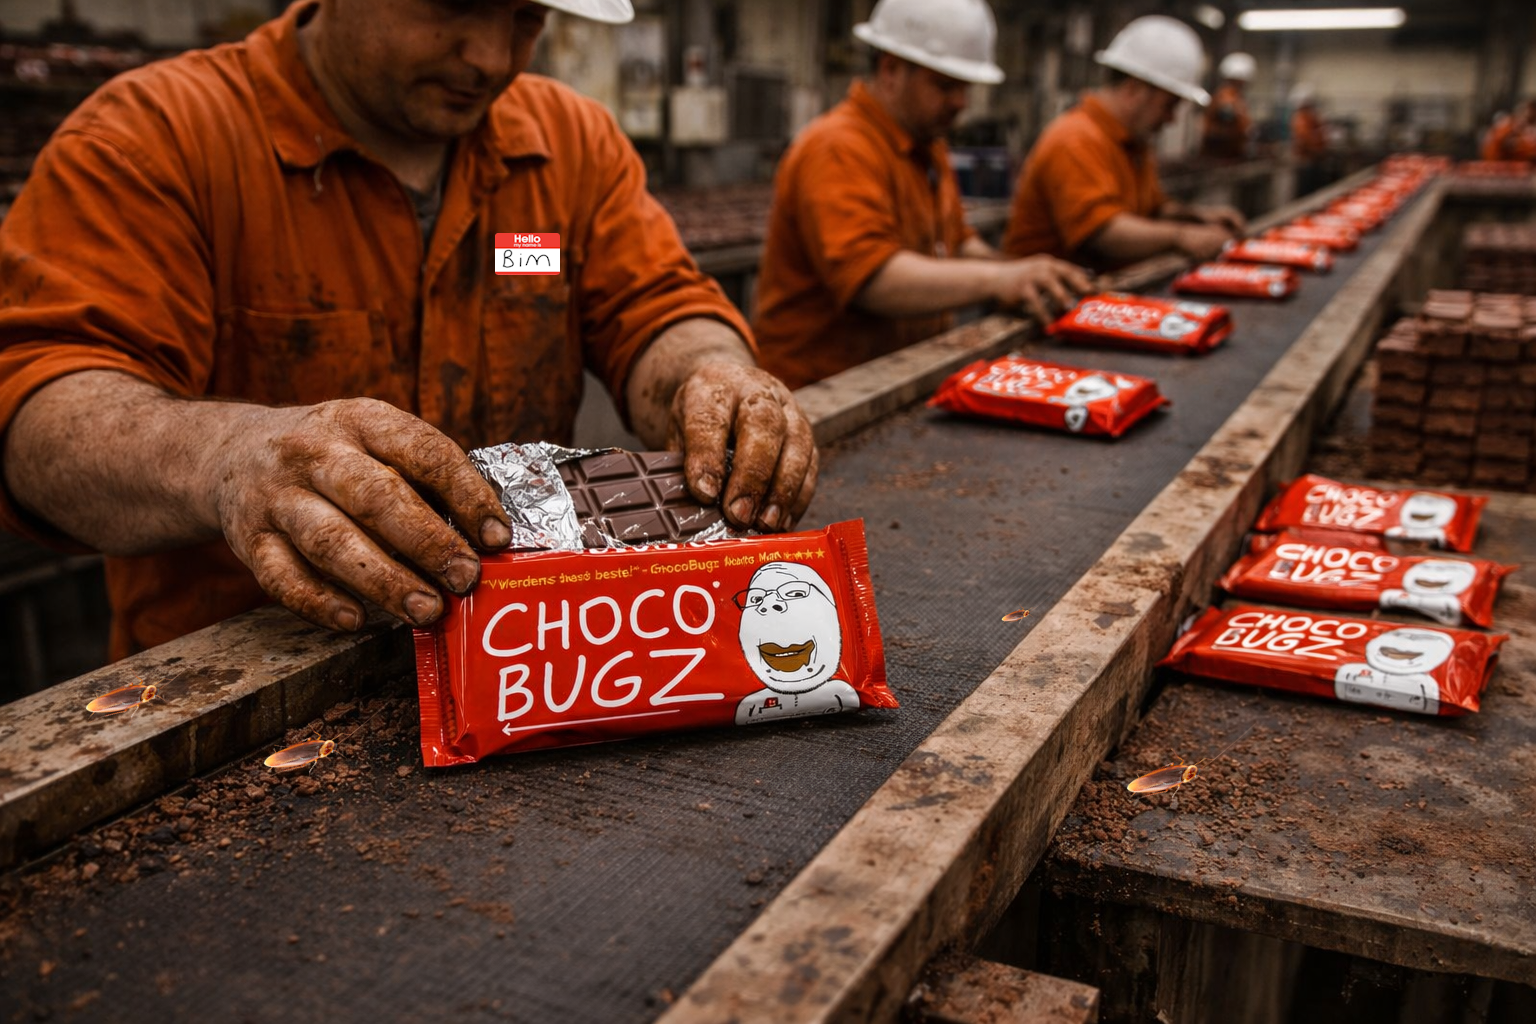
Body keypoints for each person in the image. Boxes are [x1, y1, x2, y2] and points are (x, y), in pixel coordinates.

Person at [0, 0, 818, 661]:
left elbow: (656, 309)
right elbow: (40, 415)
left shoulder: (569, 146)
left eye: (526, 18)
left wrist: (710, 373)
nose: (491, 57)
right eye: (456, 5)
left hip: (528, 660)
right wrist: (230, 457)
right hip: (247, 694)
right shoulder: (156, 139)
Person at [752, 0, 1090, 391]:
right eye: (945, 86)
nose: (961, 102)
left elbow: (955, 242)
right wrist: (998, 278)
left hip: (892, 376)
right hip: (820, 392)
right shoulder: (837, 146)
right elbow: (874, 280)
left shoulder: (926, 145)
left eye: (965, 87)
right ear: (891, 69)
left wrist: (1025, 273)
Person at [1004, 15, 1245, 272]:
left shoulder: (1132, 144)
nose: (1171, 119)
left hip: (1090, 294)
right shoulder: (1076, 138)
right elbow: (1103, 233)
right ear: (1134, 90)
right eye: (1169, 105)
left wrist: (1197, 217)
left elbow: (1151, 210)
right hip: (1040, 305)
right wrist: (1182, 236)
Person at [1201, 51, 1255, 161]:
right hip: (1222, 155)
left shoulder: (1236, 97)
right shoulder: (1226, 96)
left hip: (1229, 153)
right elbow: (1227, 120)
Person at [1290, 83, 1332, 196]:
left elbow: (1320, 133)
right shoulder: (1301, 118)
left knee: (1312, 189)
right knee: (1305, 191)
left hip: (1312, 160)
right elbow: (1305, 138)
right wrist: (1317, 151)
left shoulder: (1310, 117)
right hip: (1307, 161)